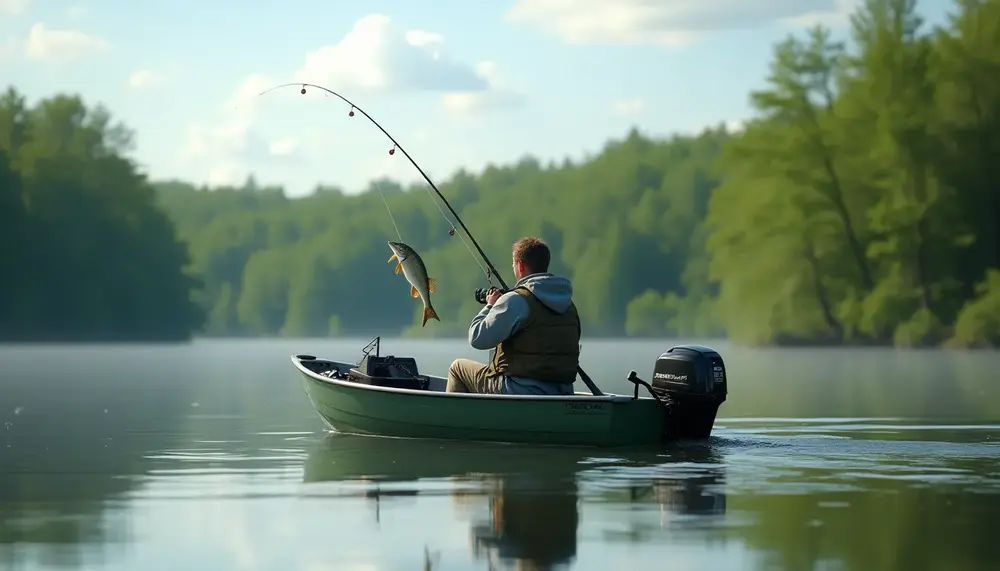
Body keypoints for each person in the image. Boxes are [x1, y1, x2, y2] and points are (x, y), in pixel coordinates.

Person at [446, 236, 581, 395]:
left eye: (513, 264)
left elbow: (477, 338)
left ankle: (451, 418)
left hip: (519, 390)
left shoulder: (517, 300)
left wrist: (490, 305)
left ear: (521, 265)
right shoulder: (569, 305)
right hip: (562, 392)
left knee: (457, 368)